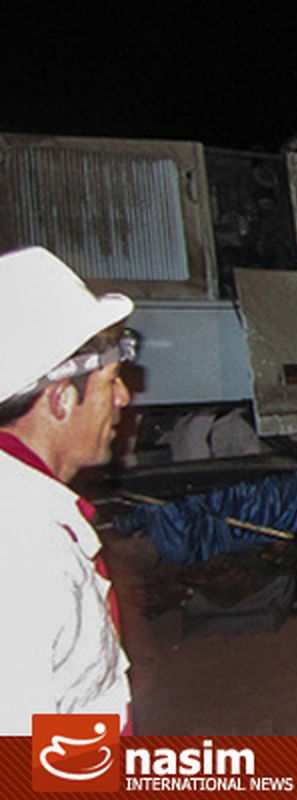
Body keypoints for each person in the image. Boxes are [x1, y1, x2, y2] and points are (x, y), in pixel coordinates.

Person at [0, 246, 138, 735]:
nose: (123, 398)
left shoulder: (28, 513)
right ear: (60, 400)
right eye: (111, 382)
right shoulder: (23, 552)